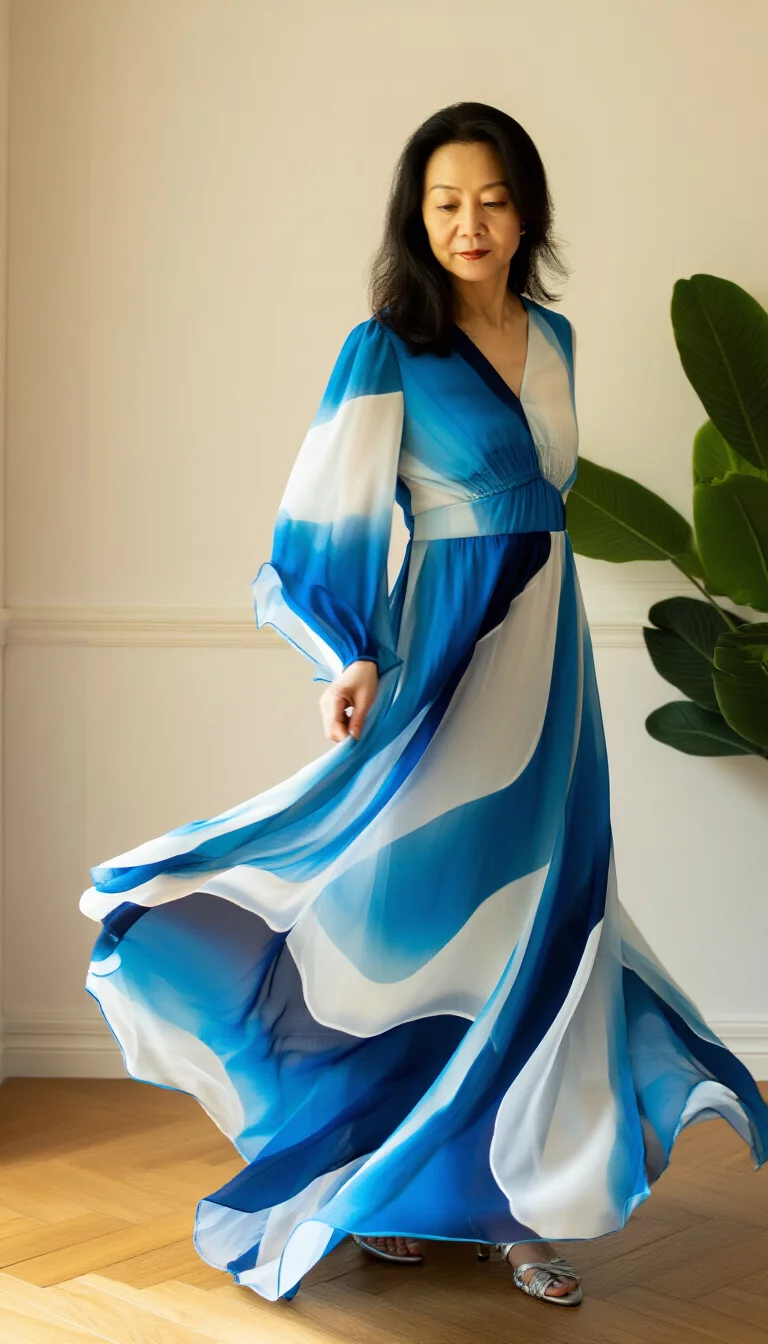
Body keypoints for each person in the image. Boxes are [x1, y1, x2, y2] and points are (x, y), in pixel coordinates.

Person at [80, 101, 768, 1310]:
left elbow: (545, 499)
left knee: (541, 928)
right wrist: (346, 655)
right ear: (418, 217)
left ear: (526, 212)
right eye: (447, 203)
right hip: (444, 657)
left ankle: (522, 1211)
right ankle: (386, 1185)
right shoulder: (387, 347)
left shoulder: (555, 338)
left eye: (492, 200)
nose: (470, 223)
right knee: (412, 917)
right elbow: (326, 513)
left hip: (550, 669)